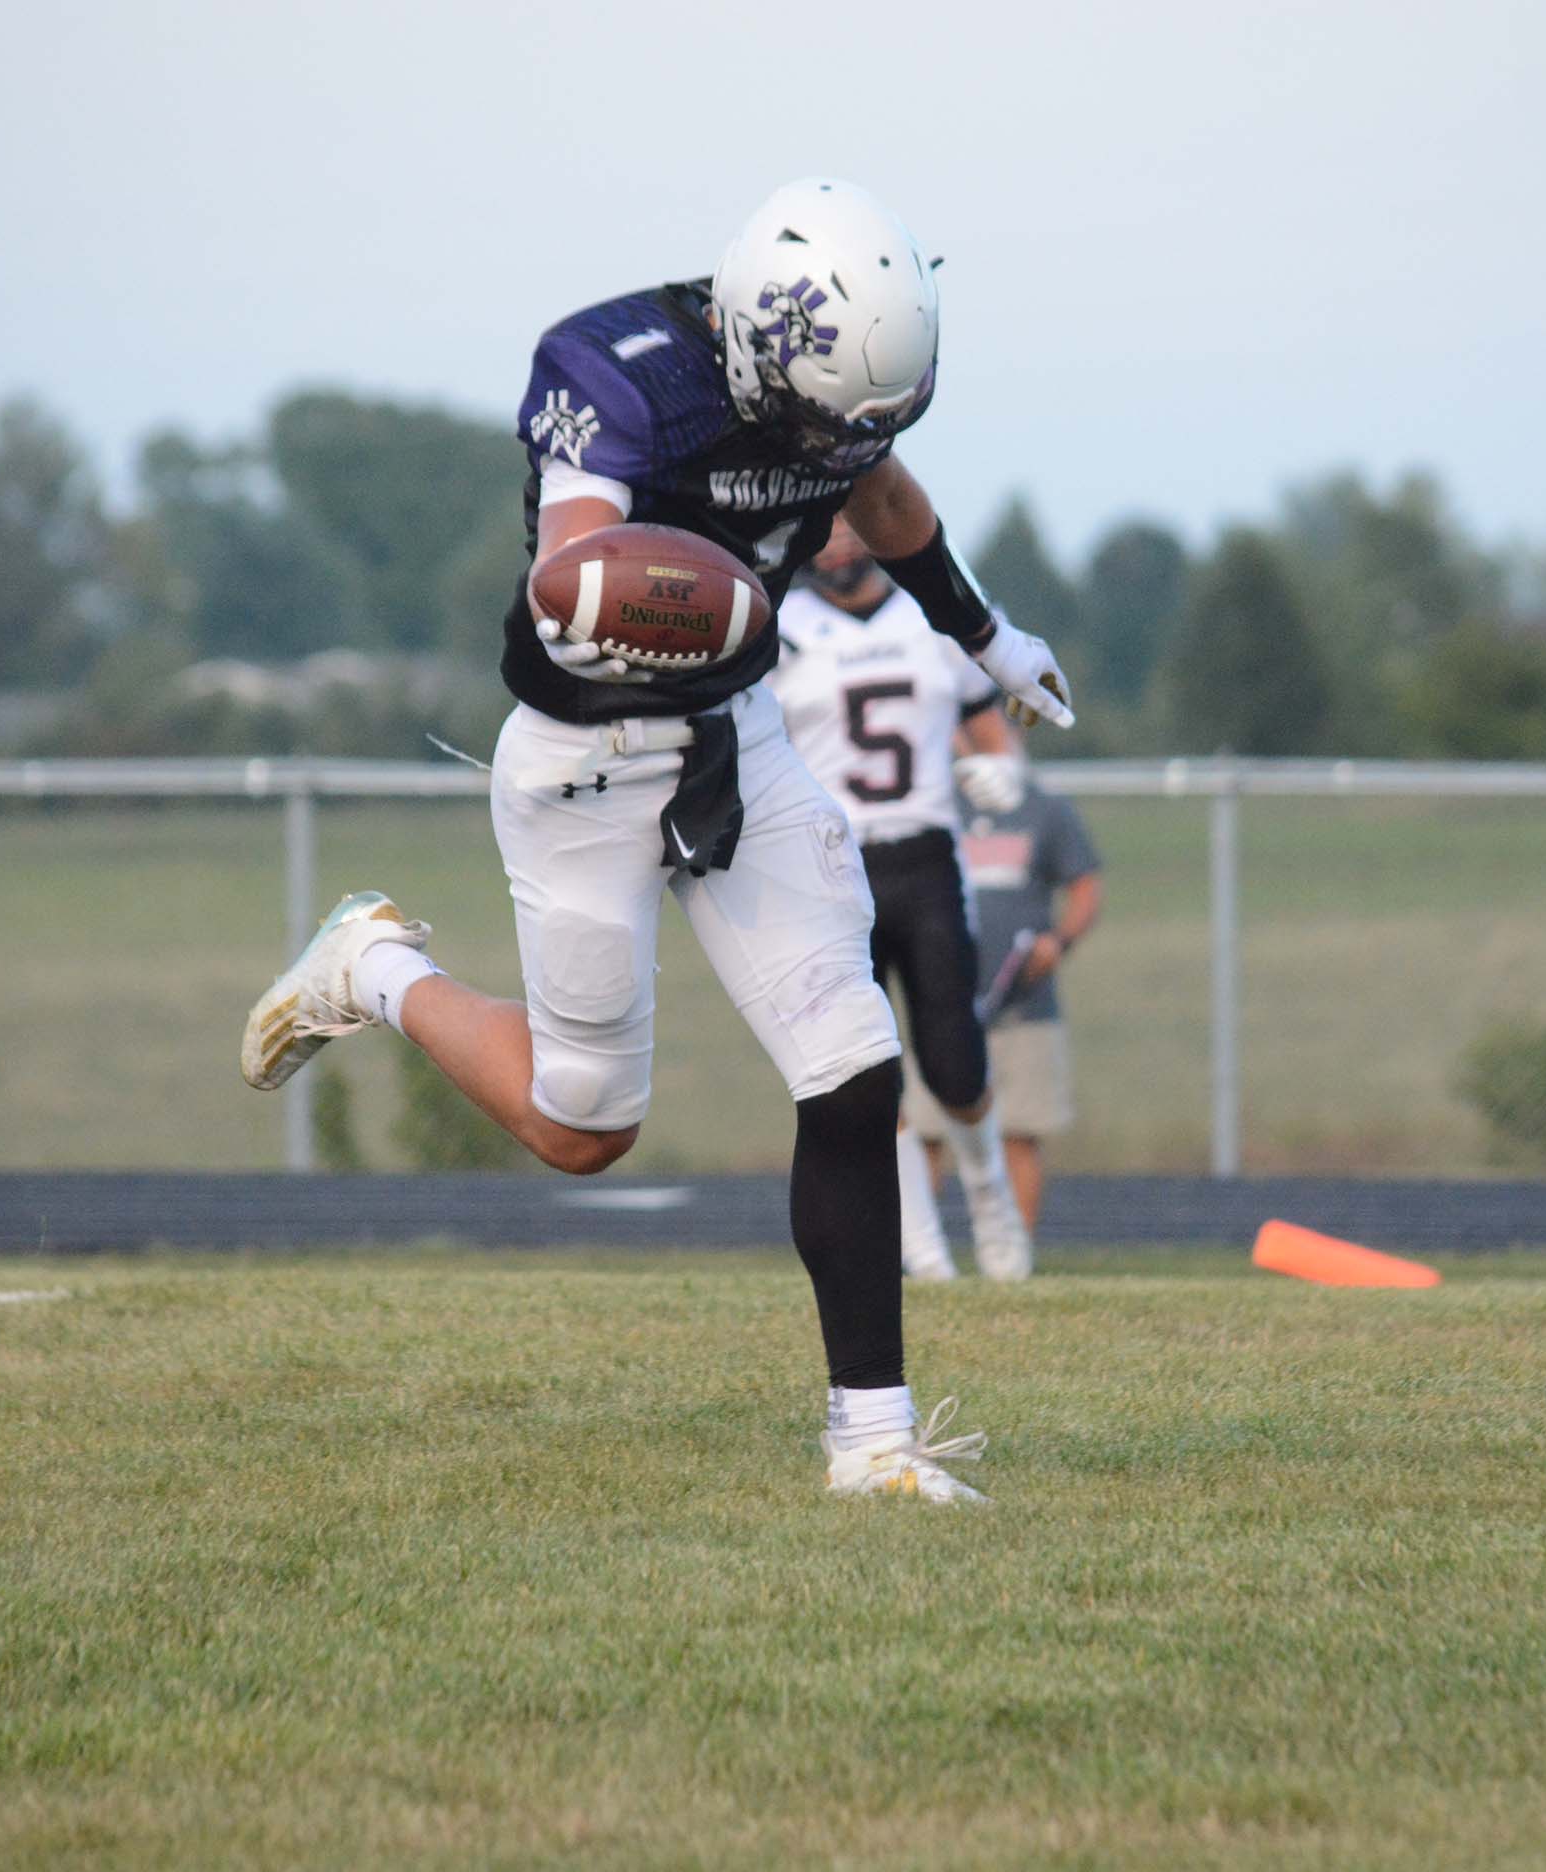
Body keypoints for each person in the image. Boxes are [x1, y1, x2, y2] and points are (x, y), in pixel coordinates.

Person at [239, 179, 1076, 1504]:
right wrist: (659, 593)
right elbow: (569, 567)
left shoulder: (834, 395)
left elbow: (886, 490)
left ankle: (870, 1447)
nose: (840, 446)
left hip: (735, 734)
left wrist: (980, 632)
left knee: (853, 1066)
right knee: (584, 1129)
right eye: (825, 421)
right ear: (754, 346)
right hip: (585, 763)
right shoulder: (616, 372)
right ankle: (373, 970)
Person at [770, 516, 1029, 1284]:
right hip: (828, 868)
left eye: (853, 522)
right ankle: (922, 1248)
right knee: (863, 1066)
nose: (839, 540)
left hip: (926, 860)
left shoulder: (936, 611)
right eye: (827, 523)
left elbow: (992, 729)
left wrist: (1004, 773)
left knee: (955, 1065)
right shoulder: (777, 625)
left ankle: (989, 1195)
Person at [919, 741, 1103, 1231]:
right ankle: (915, 1254)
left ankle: (1014, 1259)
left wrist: (1059, 941)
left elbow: (1085, 885)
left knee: (1018, 1132)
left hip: (1023, 1006)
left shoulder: (1045, 807)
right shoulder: (933, 803)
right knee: (923, 1132)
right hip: (941, 998)